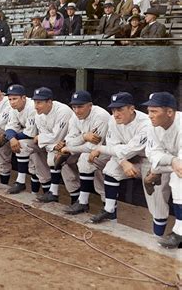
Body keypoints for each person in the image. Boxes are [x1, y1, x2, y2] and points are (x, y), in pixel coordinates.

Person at [88, 92, 168, 236]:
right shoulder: (113, 120)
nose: (115, 114)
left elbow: (128, 150)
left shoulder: (145, 123)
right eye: (113, 110)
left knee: (156, 200)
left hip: (149, 161)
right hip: (127, 159)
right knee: (110, 169)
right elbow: (115, 146)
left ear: (131, 109)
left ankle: (158, 237)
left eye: (120, 109)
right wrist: (123, 162)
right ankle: (110, 212)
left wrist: (101, 148)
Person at [59, 91, 110, 214]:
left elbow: (92, 147)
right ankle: (77, 199)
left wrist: (70, 148)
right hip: (90, 151)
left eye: (80, 106)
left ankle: (88, 204)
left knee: (86, 161)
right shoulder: (75, 117)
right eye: (74, 107)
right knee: (61, 159)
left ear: (90, 105)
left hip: (108, 151)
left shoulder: (100, 116)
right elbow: (70, 141)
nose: (77, 110)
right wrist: (83, 137)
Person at [143, 92, 182, 248]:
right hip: (173, 162)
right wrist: (172, 160)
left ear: (170, 112)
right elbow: (152, 153)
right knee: (155, 165)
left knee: (178, 178)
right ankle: (154, 174)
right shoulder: (153, 126)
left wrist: (173, 162)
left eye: (154, 111)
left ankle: (179, 232)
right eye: (149, 111)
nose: (150, 116)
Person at [33, 87, 79, 204]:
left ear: (49, 102)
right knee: (53, 157)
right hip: (57, 147)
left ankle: (77, 200)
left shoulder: (62, 111)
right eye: (35, 102)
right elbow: (49, 140)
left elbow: (56, 137)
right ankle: (53, 192)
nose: (36, 106)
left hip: (75, 144)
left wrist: (41, 139)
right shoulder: (38, 115)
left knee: (60, 161)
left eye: (39, 102)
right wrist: (52, 146)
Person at [4, 84, 38, 194]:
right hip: (33, 140)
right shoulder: (13, 108)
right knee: (35, 169)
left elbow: (31, 133)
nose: (12, 102)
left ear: (23, 98)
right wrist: (11, 137)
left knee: (38, 170)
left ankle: (27, 187)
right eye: (10, 99)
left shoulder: (32, 107)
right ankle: (21, 182)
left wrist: (12, 137)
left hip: (44, 139)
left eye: (15, 98)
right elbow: (10, 127)